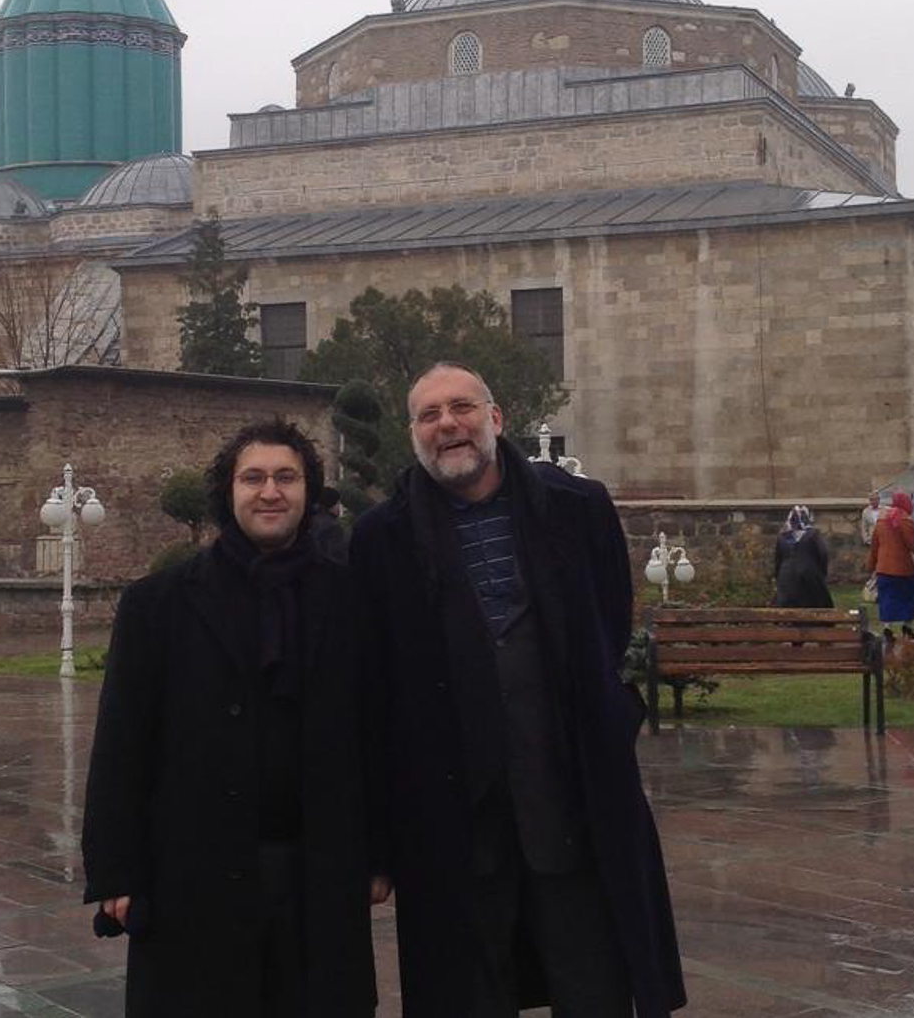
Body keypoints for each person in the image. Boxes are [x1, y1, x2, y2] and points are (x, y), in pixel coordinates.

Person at [350, 362, 685, 1018]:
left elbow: (608, 621)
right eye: (429, 414)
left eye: (462, 407)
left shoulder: (576, 508)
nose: (448, 424)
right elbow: (375, 683)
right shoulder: (381, 538)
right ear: (413, 433)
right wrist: (379, 841)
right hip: (451, 819)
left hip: (568, 796)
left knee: (595, 983)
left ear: (495, 418)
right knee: (468, 991)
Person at [82, 420, 385, 1018]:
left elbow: (376, 732)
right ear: (228, 492)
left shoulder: (352, 599)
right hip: (193, 870)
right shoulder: (159, 604)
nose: (270, 491)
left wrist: (380, 855)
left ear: (307, 491)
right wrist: (116, 869)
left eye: (286, 477)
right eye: (254, 478)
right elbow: (122, 742)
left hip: (316, 871)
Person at [866, 491, 914, 643]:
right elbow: (913, 544)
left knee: (887, 598)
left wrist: (871, 565)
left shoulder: (881, 521)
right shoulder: (905, 521)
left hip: (883, 568)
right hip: (903, 568)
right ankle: (907, 625)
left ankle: (887, 628)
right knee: (910, 596)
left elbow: (875, 546)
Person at [770, 504, 834, 608]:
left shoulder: (782, 537)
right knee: (813, 604)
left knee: (788, 605)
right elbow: (823, 554)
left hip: (786, 575)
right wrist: (821, 572)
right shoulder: (813, 535)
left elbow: (778, 560)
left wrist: (778, 575)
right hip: (809, 574)